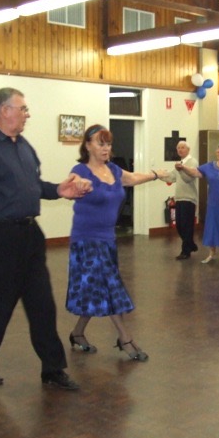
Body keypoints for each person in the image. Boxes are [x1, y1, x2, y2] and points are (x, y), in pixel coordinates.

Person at [0, 87, 92, 389]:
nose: (27, 114)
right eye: (22, 109)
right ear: (4, 111)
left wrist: (59, 190)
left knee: (42, 306)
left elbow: (33, 186)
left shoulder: (24, 147)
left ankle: (52, 369)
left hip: (29, 237)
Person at [66, 124, 167, 361]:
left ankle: (78, 333)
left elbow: (131, 178)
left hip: (107, 240)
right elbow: (73, 180)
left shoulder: (113, 169)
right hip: (87, 240)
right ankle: (125, 339)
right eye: (100, 143)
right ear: (88, 145)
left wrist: (155, 174)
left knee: (96, 288)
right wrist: (77, 184)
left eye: (108, 143)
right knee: (109, 286)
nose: (106, 148)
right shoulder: (80, 169)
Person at [160, 140, 199, 260]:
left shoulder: (192, 162)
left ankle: (185, 251)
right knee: (179, 225)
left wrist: (181, 169)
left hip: (189, 198)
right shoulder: (179, 163)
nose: (180, 150)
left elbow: (188, 178)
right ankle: (191, 244)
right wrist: (158, 175)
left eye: (182, 147)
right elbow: (172, 177)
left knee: (186, 225)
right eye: (178, 148)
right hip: (179, 198)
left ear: (188, 150)